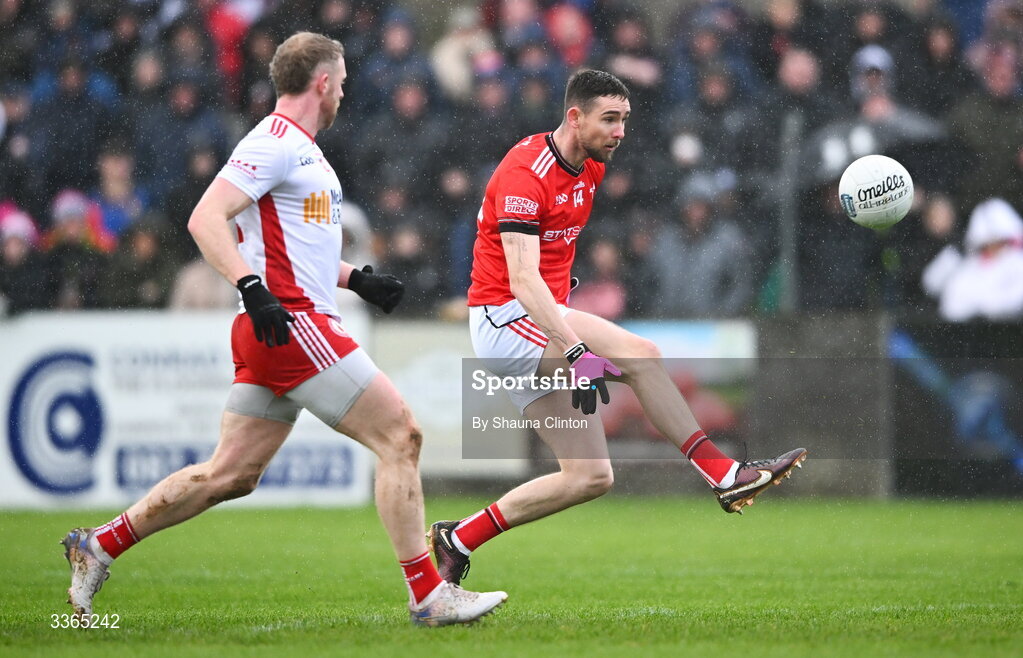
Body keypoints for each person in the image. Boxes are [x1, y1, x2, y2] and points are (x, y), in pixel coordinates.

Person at [61, 31, 506, 628]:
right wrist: (249, 286)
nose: (345, 91)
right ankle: (429, 595)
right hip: (293, 324)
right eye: (342, 81)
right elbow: (205, 219)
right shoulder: (273, 142)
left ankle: (98, 546)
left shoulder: (302, 151)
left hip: (278, 327)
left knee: (230, 476)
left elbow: (291, 248)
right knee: (402, 437)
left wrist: (357, 279)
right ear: (322, 82)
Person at [429, 69, 806, 587]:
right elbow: (521, 279)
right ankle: (723, 474)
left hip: (537, 323)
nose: (620, 131)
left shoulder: (591, 169)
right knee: (641, 354)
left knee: (590, 477)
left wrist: (569, 340)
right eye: (610, 119)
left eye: (625, 119)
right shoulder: (525, 170)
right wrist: (577, 350)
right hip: (505, 321)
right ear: (574, 117)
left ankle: (458, 539)